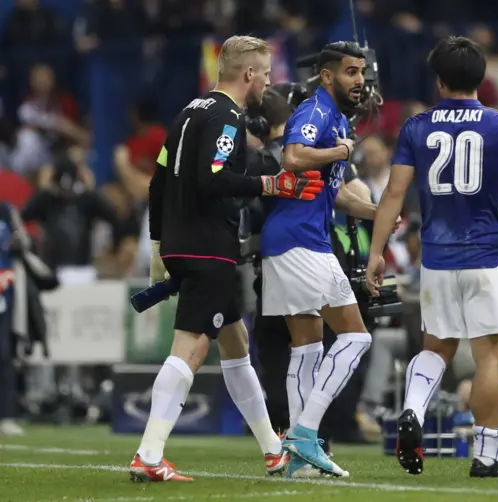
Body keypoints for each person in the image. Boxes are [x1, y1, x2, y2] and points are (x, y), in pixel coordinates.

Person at [129, 35, 325, 483]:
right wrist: (271, 186)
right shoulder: (228, 117)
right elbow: (213, 179)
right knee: (192, 348)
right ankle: (149, 454)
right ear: (249, 74)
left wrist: (160, 245)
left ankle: (274, 451)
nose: (269, 82)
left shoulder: (186, 114)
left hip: (184, 242)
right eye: (267, 73)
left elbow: (157, 184)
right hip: (207, 245)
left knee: (236, 347)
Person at [365, 36, 498, 478]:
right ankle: (485, 457)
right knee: (491, 357)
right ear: (483, 79)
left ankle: (413, 410)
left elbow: (393, 194)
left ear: (439, 80)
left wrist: (375, 252)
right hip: (487, 254)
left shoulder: (415, 127)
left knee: (435, 347)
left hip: (437, 256)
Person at [260, 41, 388, 478]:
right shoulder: (316, 112)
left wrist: (378, 212)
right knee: (357, 338)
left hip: (291, 238)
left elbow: (335, 195)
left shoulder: (330, 116)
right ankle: (305, 433)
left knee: (309, 349)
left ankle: (297, 458)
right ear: (328, 76)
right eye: (351, 72)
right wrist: (340, 151)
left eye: (362, 72)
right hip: (301, 242)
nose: (360, 80)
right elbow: (293, 158)